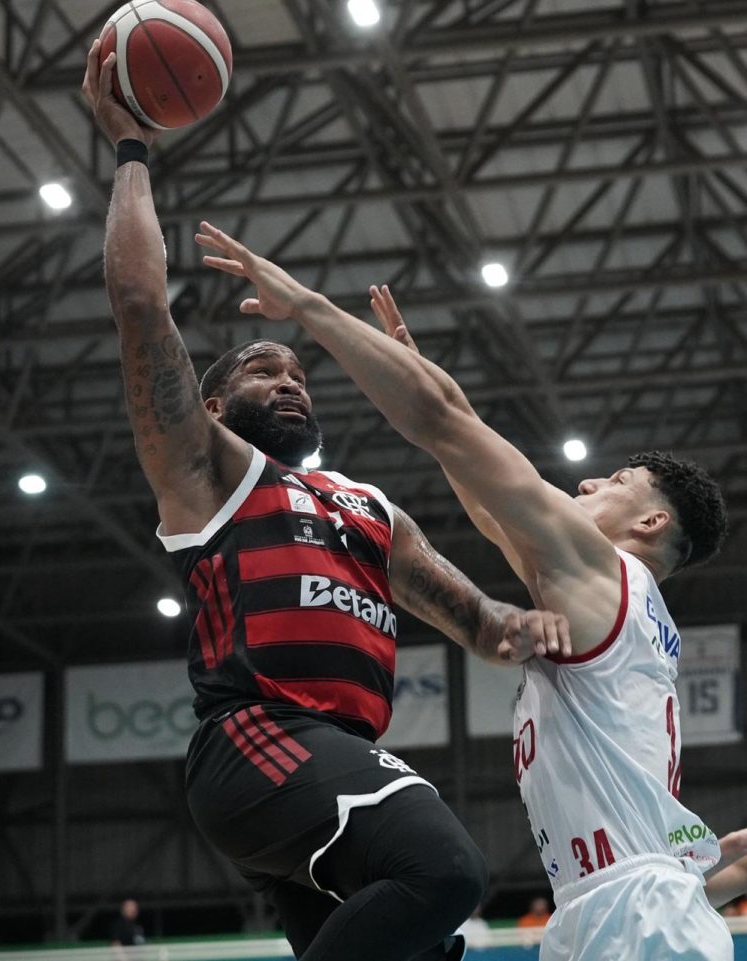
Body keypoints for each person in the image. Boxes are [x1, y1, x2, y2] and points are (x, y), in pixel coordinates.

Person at [82, 43, 572, 961]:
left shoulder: (370, 507)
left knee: (418, 948)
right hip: (260, 739)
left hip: (330, 759)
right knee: (448, 872)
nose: (290, 380)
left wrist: (534, 625)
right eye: (265, 369)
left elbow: (479, 621)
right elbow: (141, 303)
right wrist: (130, 148)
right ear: (213, 407)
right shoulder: (211, 472)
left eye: (300, 373)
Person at [192, 232, 739, 961]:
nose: (587, 483)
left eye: (615, 483)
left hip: (637, 913)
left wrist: (306, 305)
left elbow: (444, 423)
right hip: (614, 902)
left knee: (438, 875)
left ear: (650, 523)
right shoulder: (624, 611)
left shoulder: (601, 570)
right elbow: (487, 506)